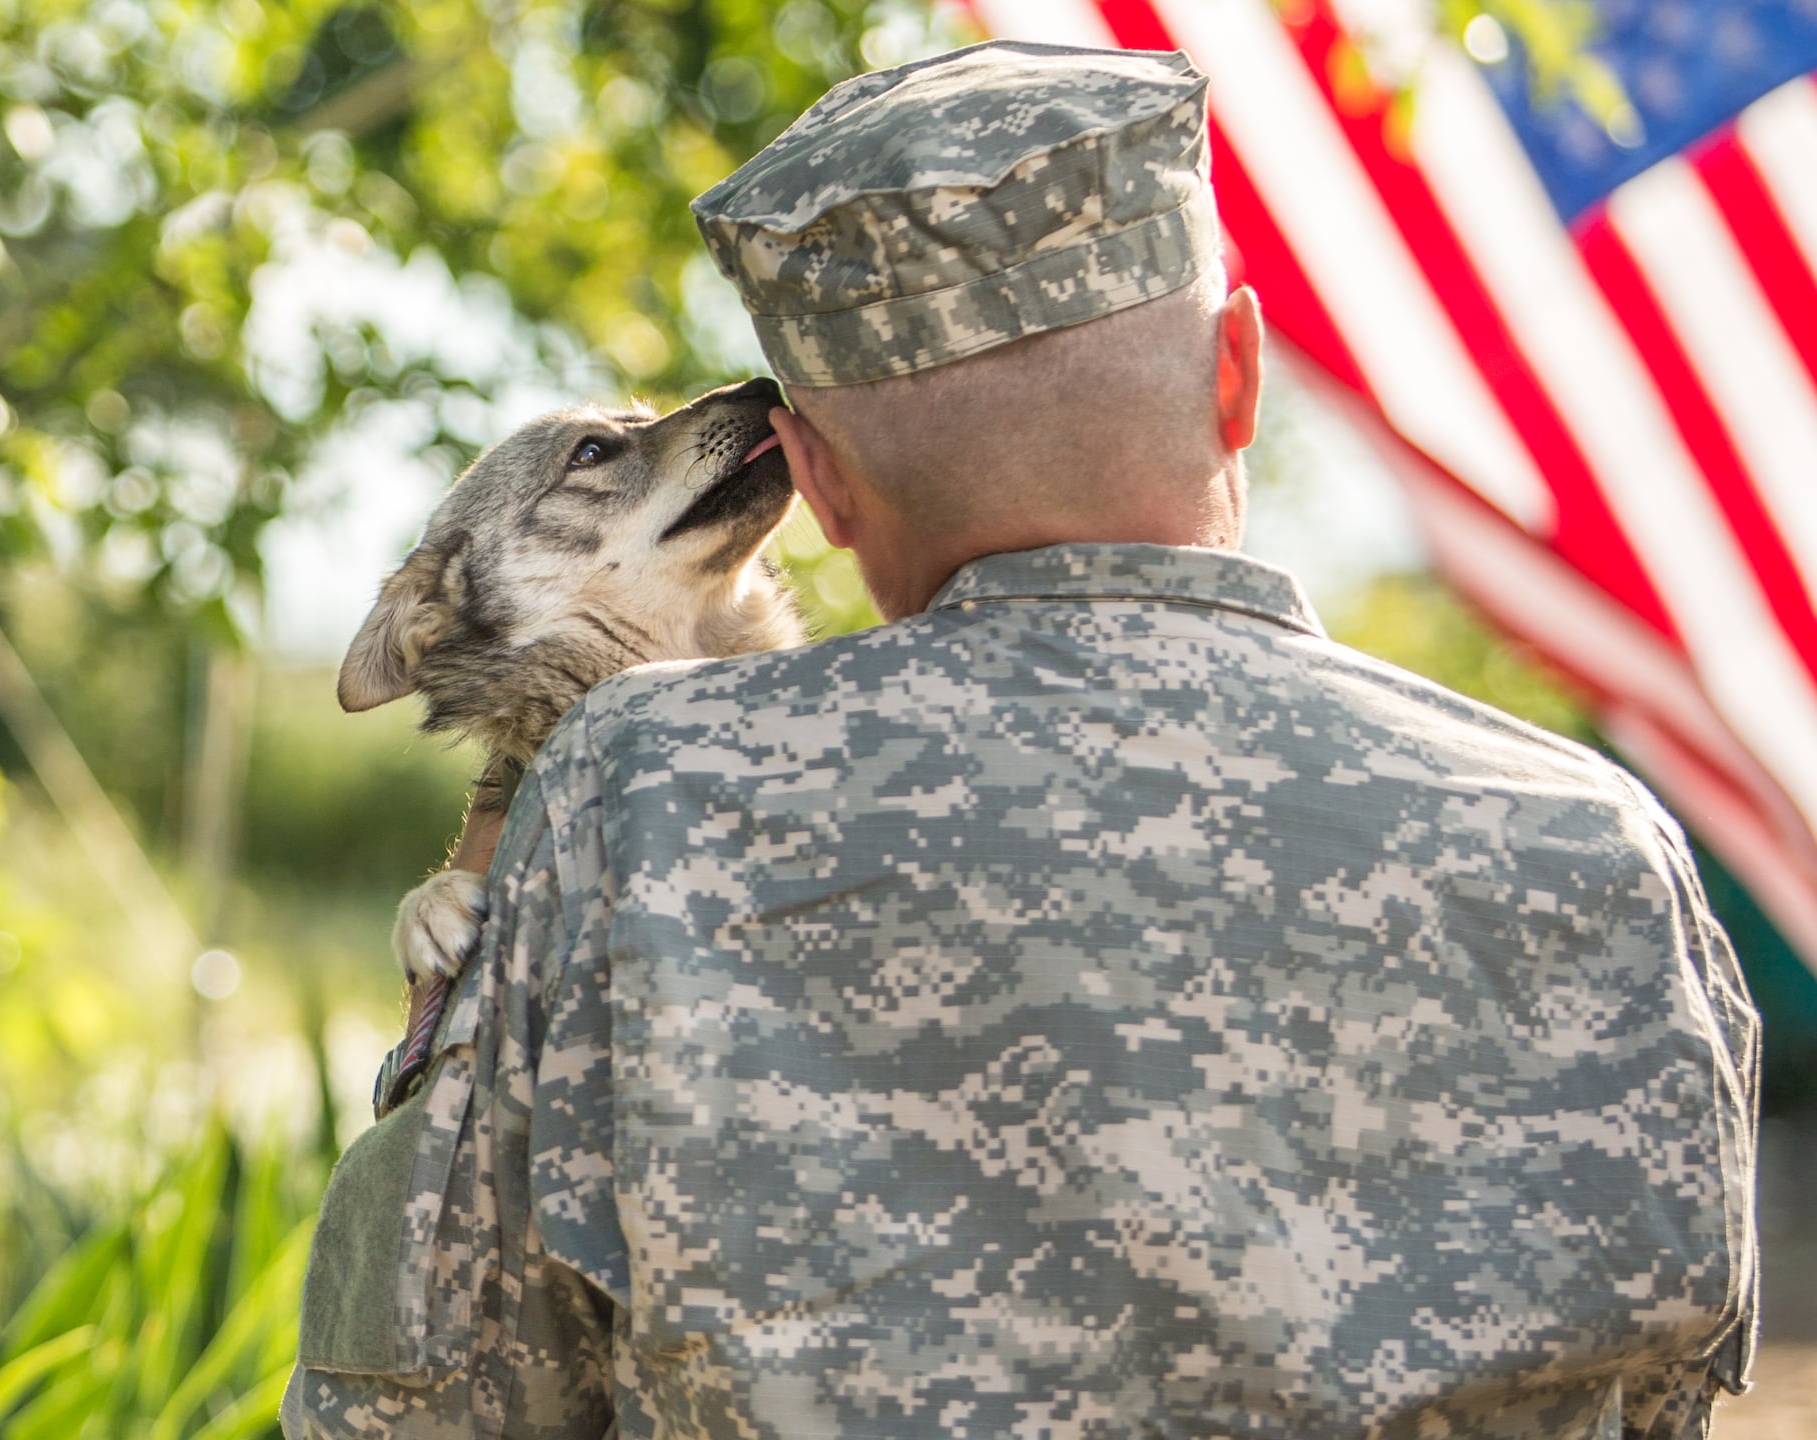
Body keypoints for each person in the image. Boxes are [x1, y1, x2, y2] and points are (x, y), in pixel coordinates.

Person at [284, 39, 1760, 1440]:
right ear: (1237, 373)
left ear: (816, 483)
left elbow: (422, 1399)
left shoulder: (633, 801)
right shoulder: (1601, 855)